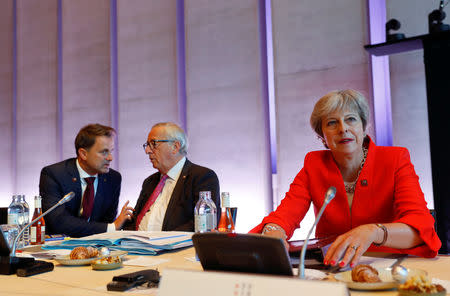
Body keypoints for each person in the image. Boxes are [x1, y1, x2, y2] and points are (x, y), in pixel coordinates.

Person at [250, 89, 441, 268]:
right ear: (322, 136)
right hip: (331, 268)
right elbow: (283, 216)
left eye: (351, 119)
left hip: (387, 266)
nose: (343, 129)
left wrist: (373, 231)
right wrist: (272, 232)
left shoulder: (395, 159)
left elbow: (420, 226)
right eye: (332, 123)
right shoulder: (313, 164)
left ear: (363, 127)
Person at [39, 123, 133, 237]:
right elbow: (58, 222)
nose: (110, 158)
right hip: (58, 247)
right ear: (83, 154)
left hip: (96, 246)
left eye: (111, 151)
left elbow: (107, 219)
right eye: (104, 152)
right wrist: (112, 227)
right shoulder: (54, 174)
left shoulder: (113, 179)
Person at [123, 122, 220, 231]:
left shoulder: (201, 177)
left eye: (153, 143)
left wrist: (161, 241)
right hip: (136, 245)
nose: (147, 151)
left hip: (176, 246)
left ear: (175, 146)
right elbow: (135, 221)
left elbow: (202, 224)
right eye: (147, 145)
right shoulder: (150, 181)